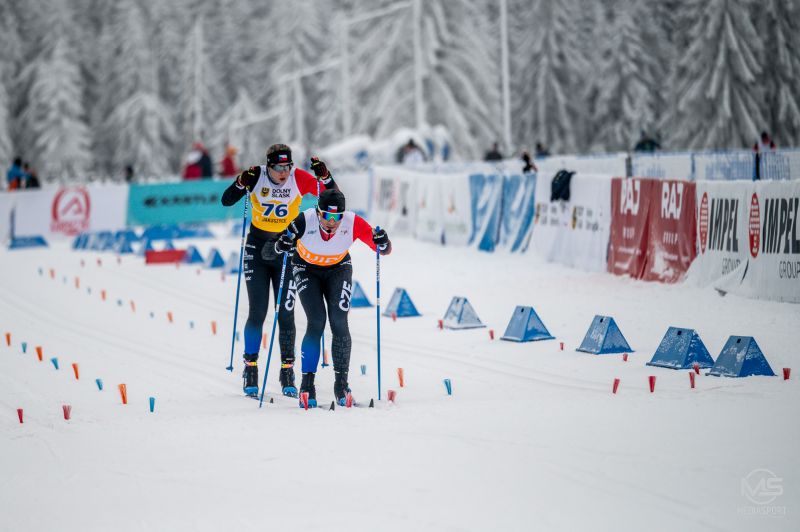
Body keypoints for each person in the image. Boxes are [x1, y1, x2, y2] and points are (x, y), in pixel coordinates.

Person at [221, 143, 338, 397]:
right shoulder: (257, 176)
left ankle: (287, 371)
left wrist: (325, 176)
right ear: (269, 166)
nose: (284, 172)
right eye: (279, 167)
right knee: (258, 311)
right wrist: (241, 182)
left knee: (286, 313)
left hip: (286, 249)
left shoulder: (298, 178)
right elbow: (226, 200)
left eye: (288, 166)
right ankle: (250, 367)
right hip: (257, 249)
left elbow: (334, 199)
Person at [275, 188, 392, 407]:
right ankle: (307, 384)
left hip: (338, 269)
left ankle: (341, 384)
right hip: (305, 268)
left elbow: (382, 248)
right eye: (327, 216)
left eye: (337, 217)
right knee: (317, 321)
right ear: (318, 212)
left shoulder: (352, 222)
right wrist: (283, 243)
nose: (332, 222)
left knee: (339, 321)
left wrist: (382, 241)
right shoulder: (305, 220)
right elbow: (279, 244)